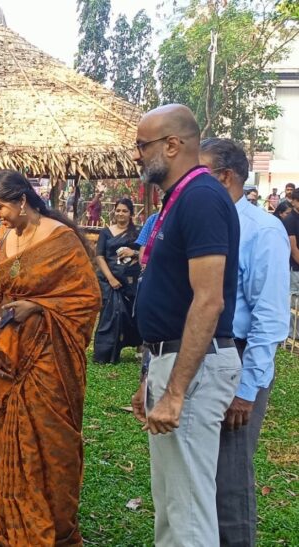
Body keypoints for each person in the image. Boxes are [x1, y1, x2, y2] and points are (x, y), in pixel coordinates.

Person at [130, 104, 242, 546]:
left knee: (189, 510)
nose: (137, 155)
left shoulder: (200, 198)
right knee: (173, 501)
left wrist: (175, 391)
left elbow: (208, 300)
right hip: (173, 359)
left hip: (192, 366)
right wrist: (151, 376)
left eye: (143, 145)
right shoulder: (180, 199)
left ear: (172, 145)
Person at [0, 170, 100, 545]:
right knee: (8, 439)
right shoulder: (2, 236)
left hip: (49, 359)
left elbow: (87, 299)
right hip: (8, 357)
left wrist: (38, 305)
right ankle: (12, 525)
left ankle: (54, 526)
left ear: (22, 200)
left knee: (49, 441)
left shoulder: (61, 240)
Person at [200, 138, 290, 546]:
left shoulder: (261, 230)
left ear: (225, 177)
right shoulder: (205, 223)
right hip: (200, 355)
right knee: (199, 469)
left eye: (199, 174)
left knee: (230, 476)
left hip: (237, 358)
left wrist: (247, 390)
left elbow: (269, 319)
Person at [93, 198, 142, 363]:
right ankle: (105, 354)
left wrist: (133, 253)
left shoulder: (137, 233)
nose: (121, 214)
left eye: (125, 211)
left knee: (132, 314)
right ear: (114, 211)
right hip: (109, 281)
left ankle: (138, 345)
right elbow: (99, 256)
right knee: (110, 316)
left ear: (131, 214)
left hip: (130, 280)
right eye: (118, 210)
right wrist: (111, 278)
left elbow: (146, 253)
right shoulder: (106, 232)